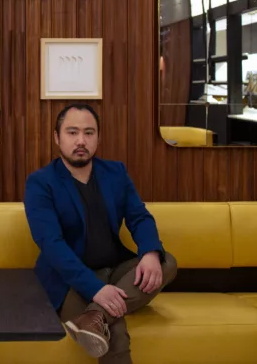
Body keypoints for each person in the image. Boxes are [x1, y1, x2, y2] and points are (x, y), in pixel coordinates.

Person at [24, 103, 177, 364]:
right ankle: (100, 316)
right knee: (113, 327)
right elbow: (51, 245)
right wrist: (96, 289)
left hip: (114, 269)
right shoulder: (40, 182)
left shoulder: (115, 172)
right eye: (72, 133)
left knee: (166, 261)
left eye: (89, 133)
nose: (81, 141)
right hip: (69, 281)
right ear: (56, 137)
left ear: (98, 137)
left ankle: (94, 315)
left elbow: (139, 217)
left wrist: (150, 252)